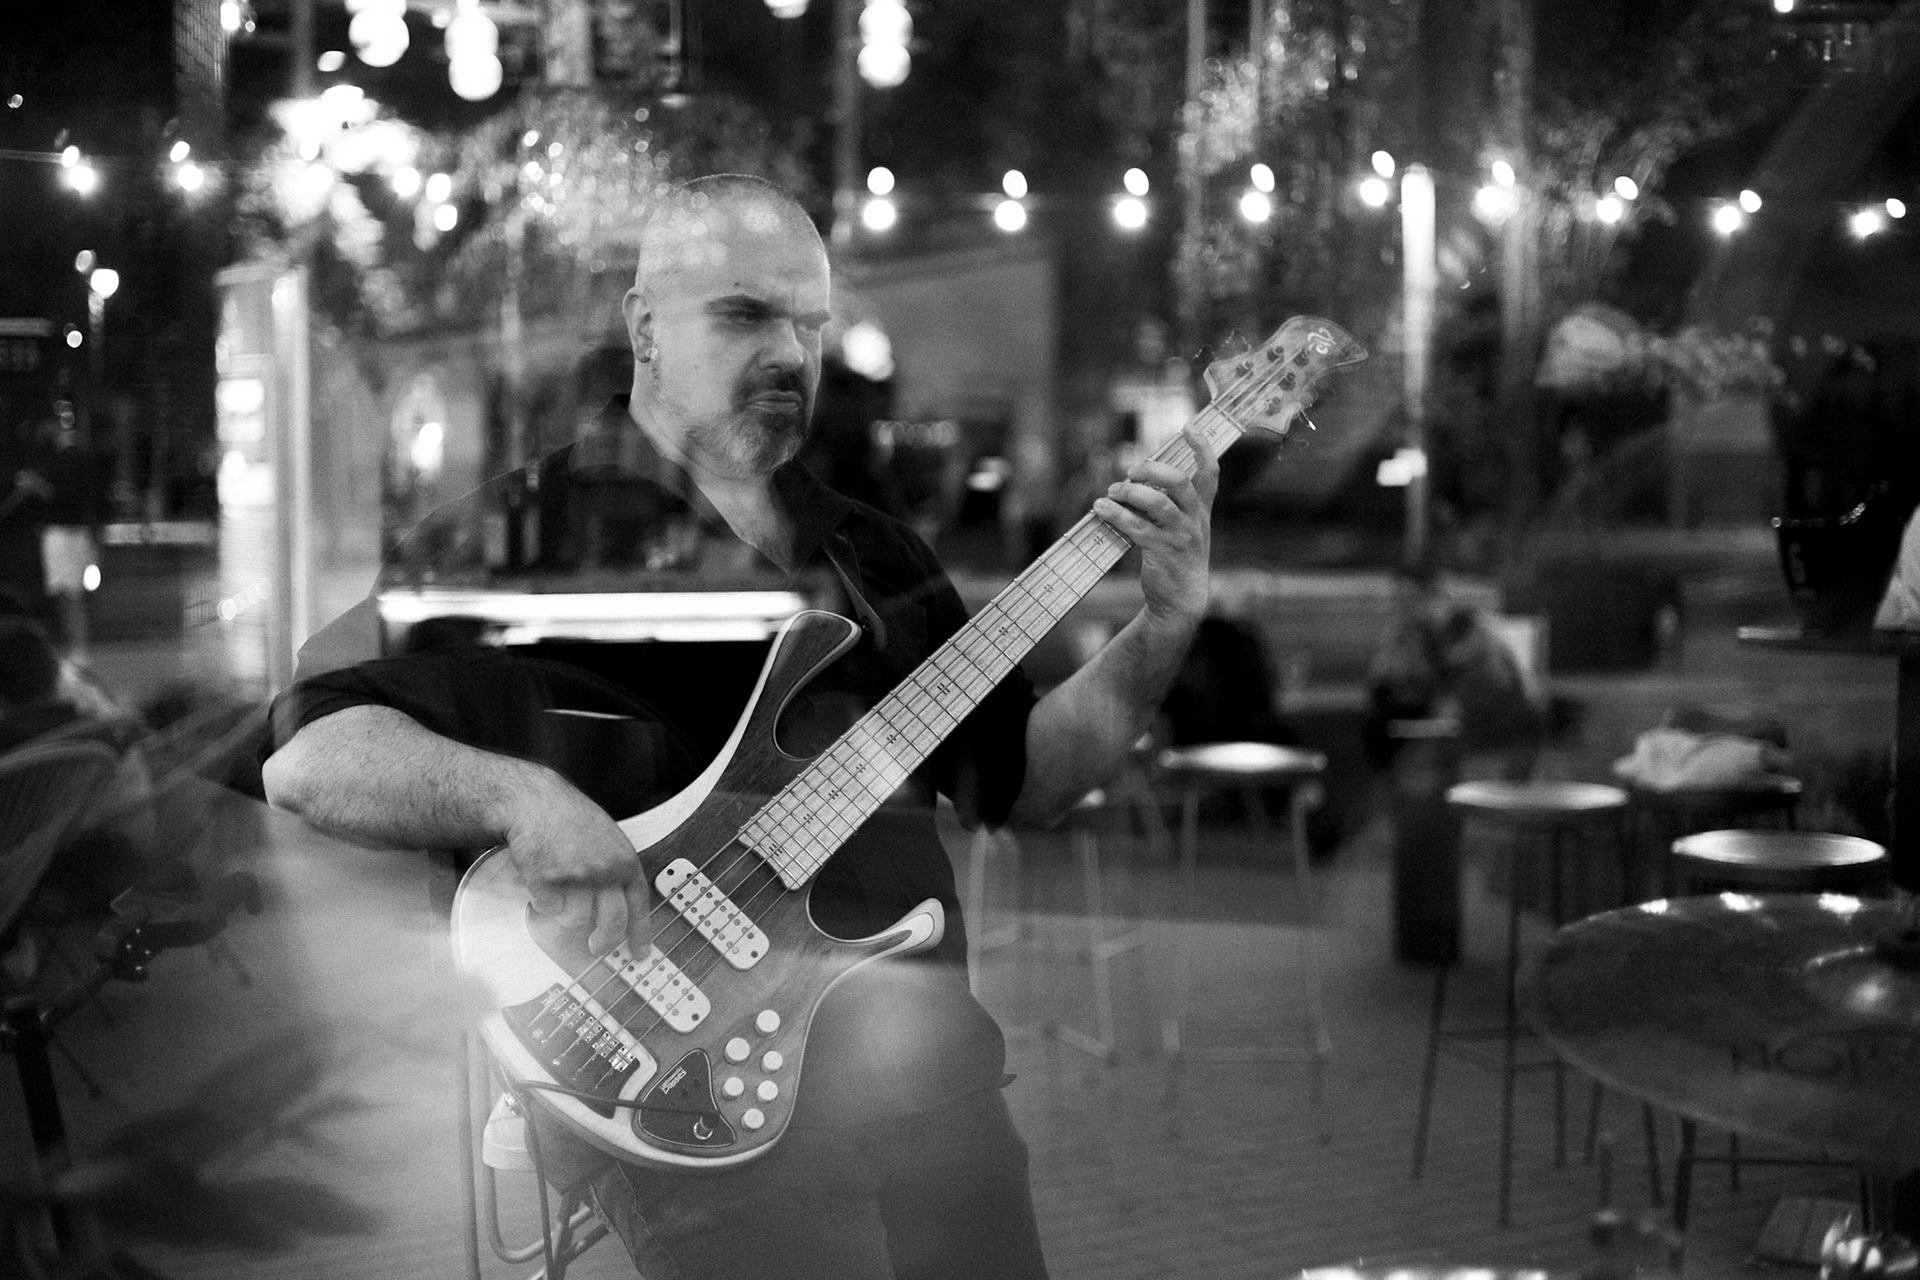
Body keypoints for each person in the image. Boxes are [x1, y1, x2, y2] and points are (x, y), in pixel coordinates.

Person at [260, 173, 1216, 1280]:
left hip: (918, 1073)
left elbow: (1028, 778)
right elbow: (309, 756)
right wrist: (524, 798)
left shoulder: (874, 558)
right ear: (644, 329)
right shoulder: (516, 549)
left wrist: (1163, 623)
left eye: (810, 326)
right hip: (670, 1077)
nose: (789, 355)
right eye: (746, 316)